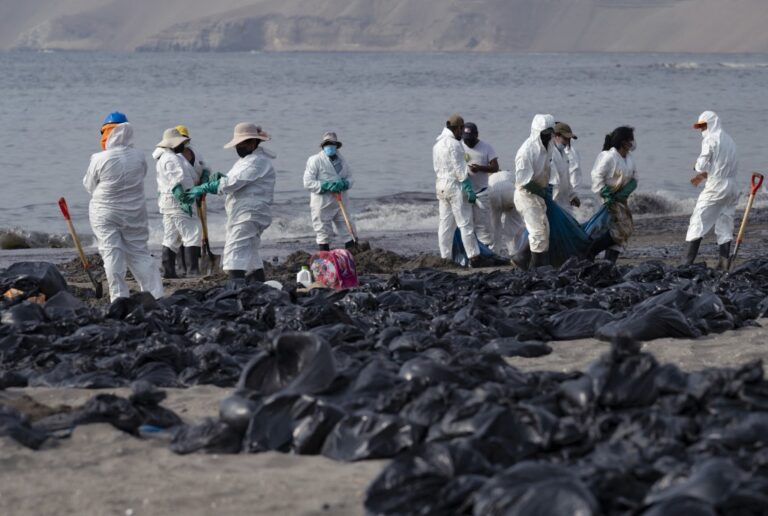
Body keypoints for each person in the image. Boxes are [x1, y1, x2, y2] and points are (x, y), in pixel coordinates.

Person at [83, 112, 163, 302]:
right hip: (134, 212)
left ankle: (119, 298)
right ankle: (155, 295)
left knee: (111, 253)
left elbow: (89, 186)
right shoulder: (138, 156)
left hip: (104, 213)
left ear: (107, 133)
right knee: (139, 253)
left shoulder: (99, 158)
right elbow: (141, 176)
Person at [185, 122, 275, 282]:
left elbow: (232, 183)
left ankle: (236, 291)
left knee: (234, 254)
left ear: (253, 142)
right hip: (248, 213)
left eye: (241, 144)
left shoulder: (256, 161)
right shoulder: (249, 160)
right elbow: (236, 180)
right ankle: (260, 287)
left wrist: (206, 187)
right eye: (237, 144)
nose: (238, 147)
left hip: (248, 214)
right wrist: (222, 178)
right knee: (251, 254)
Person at [683, 111, 739, 269]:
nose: (701, 130)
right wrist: (703, 176)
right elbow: (722, 166)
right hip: (732, 187)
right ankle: (724, 263)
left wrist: (697, 168)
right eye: (700, 127)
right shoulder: (730, 140)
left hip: (716, 187)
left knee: (698, 221)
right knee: (725, 223)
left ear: (711, 124)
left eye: (703, 126)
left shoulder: (710, 139)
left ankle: (686, 263)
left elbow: (701, 164)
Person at [153, 128, 202, 278]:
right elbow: (177, 181)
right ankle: (193, 271)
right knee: (192, 233)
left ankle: (168, 270)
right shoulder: (171, 159)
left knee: (171, 236)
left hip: (167, 202)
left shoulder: (165, 157)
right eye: (180, 142)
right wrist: (183, 199)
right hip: (177, 200)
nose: (183, 145)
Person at [433, 114, 482, 265]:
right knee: (465, 223)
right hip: (454, 186)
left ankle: (445, 258)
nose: (462, 134)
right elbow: (460, 171)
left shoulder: (437, 144)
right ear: (457, 129)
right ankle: (474, 257)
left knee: (445, 224)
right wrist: (469, 189)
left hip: (440, 185)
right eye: (461, 130)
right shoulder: (454, 145)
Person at [589, 126, 639, 263]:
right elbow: (596, 175)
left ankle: (609, 264)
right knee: (618, 230)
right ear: (623, 142)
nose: (632, 143)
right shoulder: (609, 156)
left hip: (621, 199)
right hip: (607, 199)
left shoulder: (629, 158)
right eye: (630, 140)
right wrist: (605, 194)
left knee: (622, 233)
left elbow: (635, 177)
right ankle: (591, 251)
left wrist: (627, 190)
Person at [514, 114, 556, 269]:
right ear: (537, 132)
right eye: (545, 133)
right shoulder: (526, 152)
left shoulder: (549, 146)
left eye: (550, 132)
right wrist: (542, 192)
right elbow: (524, 181)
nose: (549, 136)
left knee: (544, 229)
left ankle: (521, 259)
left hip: (538, 194)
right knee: (538, 233)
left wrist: (546, 188)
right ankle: (537, 268)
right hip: (526, 196)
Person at [303, 132, 357, 251]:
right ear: (323, 146)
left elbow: (350, 178)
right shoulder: (315, 160)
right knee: (323, 233)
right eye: (327, 144)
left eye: (332, 144)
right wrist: (325, 185)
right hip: (322, 203)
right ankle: (325, 259)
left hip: (340, 201)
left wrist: (344, 183)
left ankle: (352, 257)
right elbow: (307, 182)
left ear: (336, 146)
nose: (330, 146)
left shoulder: (343, 161)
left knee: (348, 229)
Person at [462, 122, 500, 247]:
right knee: (466, 225)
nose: (467, 142)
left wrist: (480, 168)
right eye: (465, 139)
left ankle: (486, 251)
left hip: (481, 192)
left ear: (477, 135)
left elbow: (495, 167)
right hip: (465, 192)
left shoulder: (486, 147)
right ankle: (471, 252)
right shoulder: (459, 146)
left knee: (483, 226)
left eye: (470, 139)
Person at [550, 121, 582, 212]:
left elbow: (567, 179)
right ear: (556, 136)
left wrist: (573, 195)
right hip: (554, 202)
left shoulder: (564, 155)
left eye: (569, 139)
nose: (567, 142)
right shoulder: (551, 154)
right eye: (565, 138)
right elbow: (553, 182)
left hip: (564, 202)